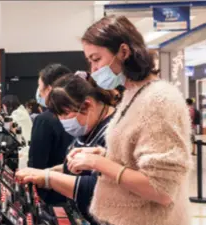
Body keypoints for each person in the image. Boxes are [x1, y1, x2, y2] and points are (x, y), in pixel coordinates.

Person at [64, 15, 191, 225]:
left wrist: (99, 162)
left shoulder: (159, 100)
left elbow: (161, 189)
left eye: (96, 59)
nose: (93, 70)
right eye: (90, 62)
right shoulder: (134, 94)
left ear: (123, 52)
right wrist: (103, 154)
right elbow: (135, 160)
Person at [16, 74, 116, 224]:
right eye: (59, 116)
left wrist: (48, 178)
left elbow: (100, 186)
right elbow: (74, 167)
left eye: (66, 113)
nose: (63, 121)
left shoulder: (114, 134)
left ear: (88, 105)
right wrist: (46, 172)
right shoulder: (87, 129)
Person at [28, 63, 73, 205]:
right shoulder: (78, 115)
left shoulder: (44, 120)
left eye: (40, 88)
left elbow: (36, 165)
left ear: (49, 89)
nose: (39, 93)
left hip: (52, 196)